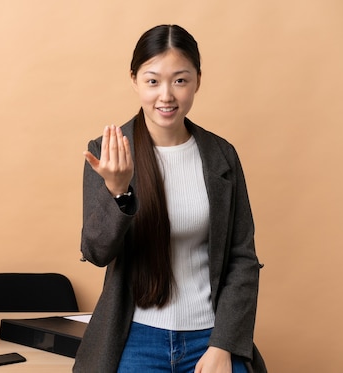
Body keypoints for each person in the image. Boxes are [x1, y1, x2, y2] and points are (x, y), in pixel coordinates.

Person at [73, 24, 266, 373]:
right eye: (152, 81)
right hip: (134, 336)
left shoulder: (221, 156)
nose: (166, 95)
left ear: (197, 81)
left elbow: (243, 258)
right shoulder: (107, 153)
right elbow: (96, 252)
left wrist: (222, 345)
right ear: (134, 80)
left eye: (180, 80)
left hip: (210, 336)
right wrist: (119, 192)